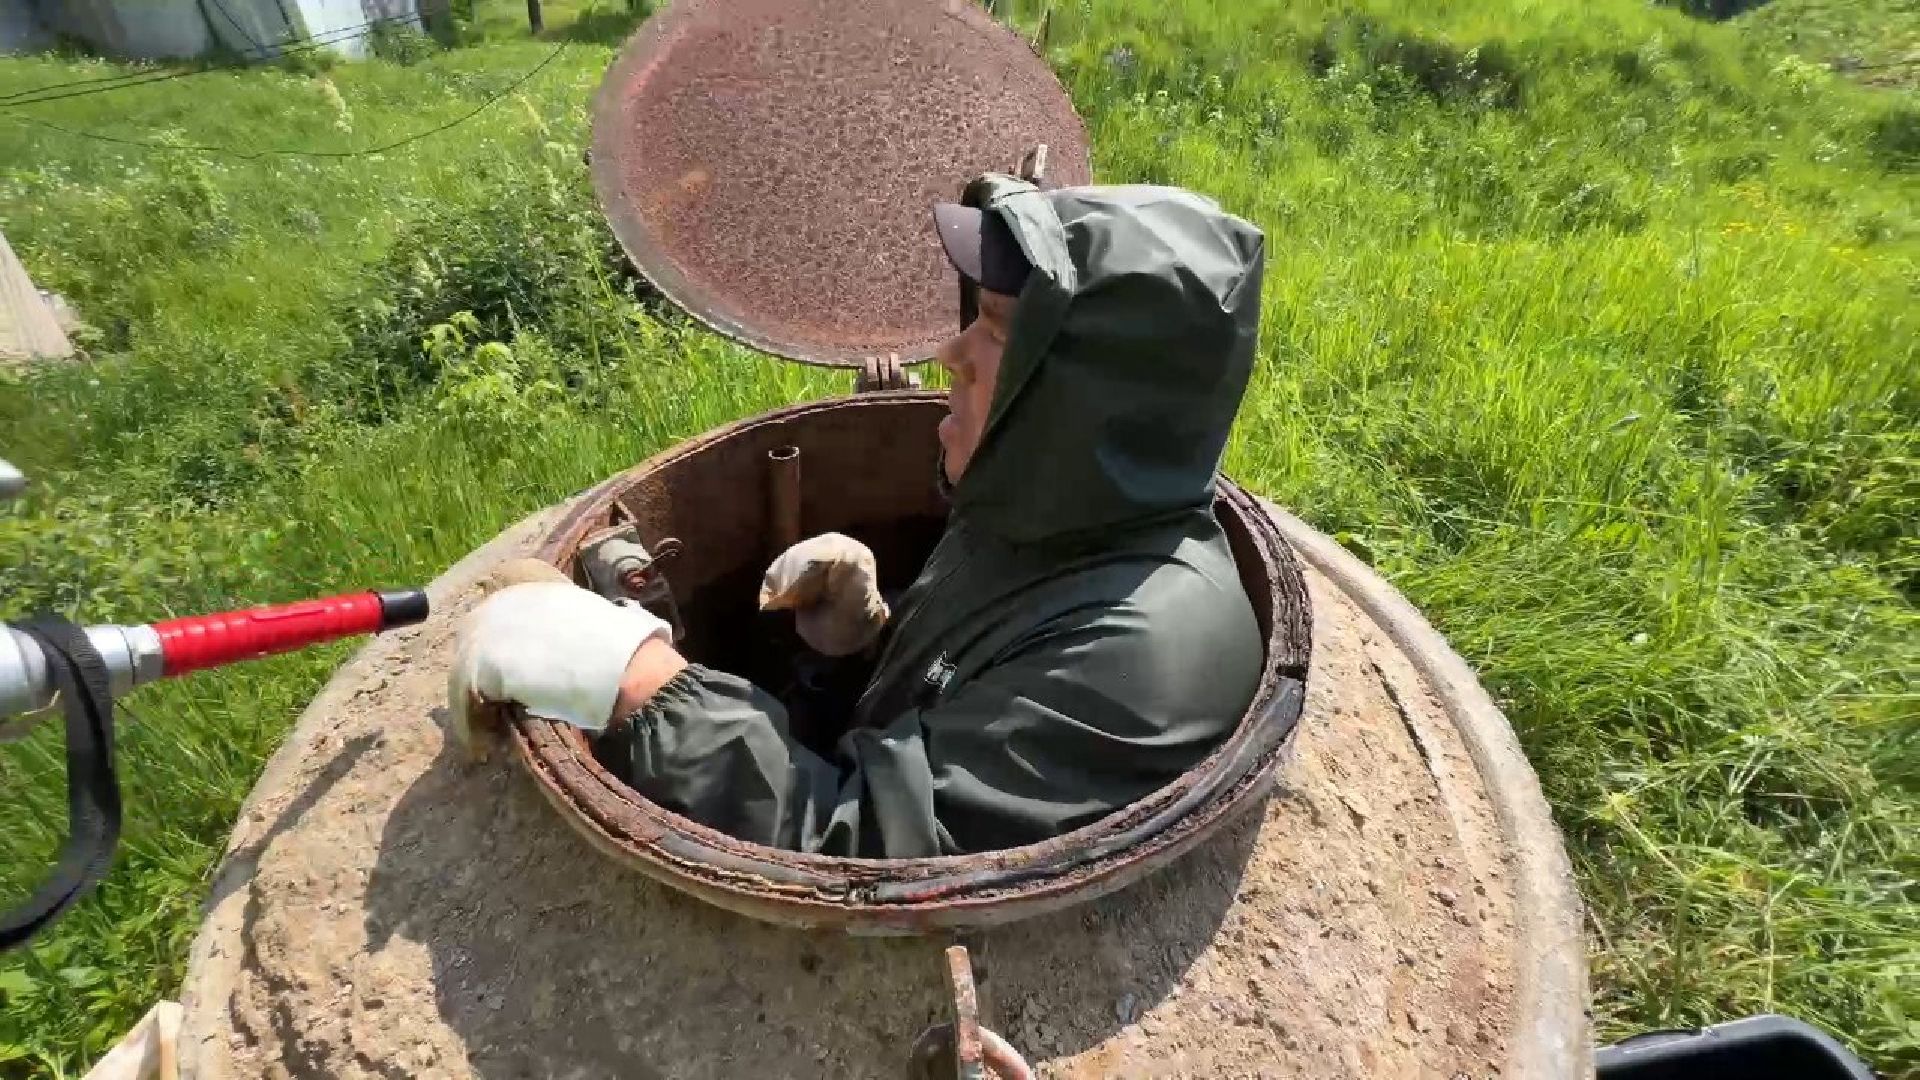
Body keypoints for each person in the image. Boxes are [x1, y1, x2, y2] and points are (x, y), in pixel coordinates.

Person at [450, 174, 1267, 858]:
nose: (949, 355)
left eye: (991, 333)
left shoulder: (1142, 666)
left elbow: (860, 858)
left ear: (1084, 404)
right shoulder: (1055, 510)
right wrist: (851, 654)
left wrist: (635, 683)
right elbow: (946, 717)